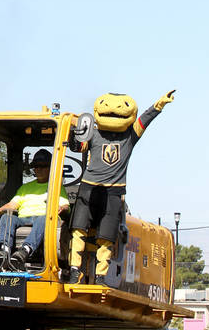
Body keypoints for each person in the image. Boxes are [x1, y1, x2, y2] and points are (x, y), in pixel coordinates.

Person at [68, 89, 174, 284]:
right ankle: (75, 270)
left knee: (106, 236)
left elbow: (144, 121)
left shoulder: (130, 136)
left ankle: (100, 275)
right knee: (78, 229)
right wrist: (76, 136)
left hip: (114, 191)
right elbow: (78, 147)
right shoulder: (94, 133)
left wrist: (158, 105)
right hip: (89, 188)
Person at [0, 149, 69, 271]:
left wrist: (61, 208)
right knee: (7, 217)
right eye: (36, 166)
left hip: (42, 218)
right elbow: (13, 204)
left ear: (50, 168)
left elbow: (65, 206)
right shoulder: (25, 187)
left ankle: (25, 251)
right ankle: (4, 251)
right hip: (22, 218)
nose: (38, 169)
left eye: (42, 166)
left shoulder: (56, 188)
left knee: (44, 218)